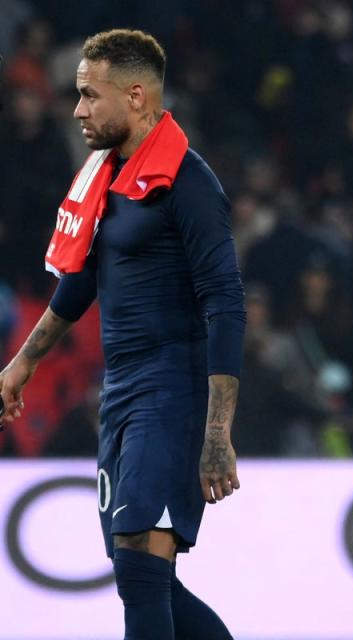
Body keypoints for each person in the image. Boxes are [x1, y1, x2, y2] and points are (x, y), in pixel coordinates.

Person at [0, 29, 244, 639]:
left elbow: (226, 304)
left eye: (90, 96)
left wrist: (217, 435)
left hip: (173, 390)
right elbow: (79, 284)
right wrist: (21, 365)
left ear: (135, 97)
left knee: (139, 564)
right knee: (139, 571)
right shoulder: (106, 177)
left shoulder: (188, 184)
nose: (78, 109)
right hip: (123, 391)